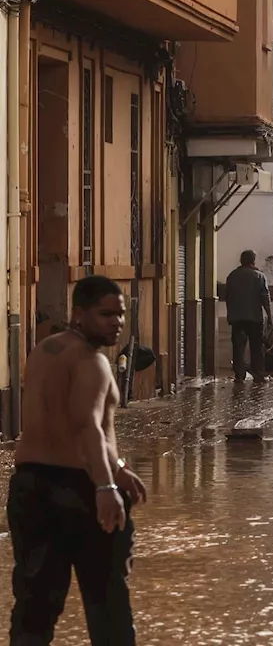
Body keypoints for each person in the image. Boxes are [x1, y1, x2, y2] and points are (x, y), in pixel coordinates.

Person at [8, 275, 148, 644]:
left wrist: (118, 468)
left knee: (33, 609)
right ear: (79, 313)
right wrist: (104, 485)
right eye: (105, 314)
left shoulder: (46, 349)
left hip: (28, 488)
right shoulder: (93, 362)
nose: (116, 322)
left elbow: (62, 424)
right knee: (108, 608)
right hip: (77, 489)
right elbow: (87, 427)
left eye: (120, 314)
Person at [224, 249, 273, 383]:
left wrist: (230, 315)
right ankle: (258, 374)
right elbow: (265, 298)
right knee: (256, 346)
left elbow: (227, 297)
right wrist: (269, 316)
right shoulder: (259, 276)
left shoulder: (232, 276)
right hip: (254, 319)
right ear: (253, 261)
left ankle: (239, 375)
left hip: (237, 318)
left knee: (238, 347)